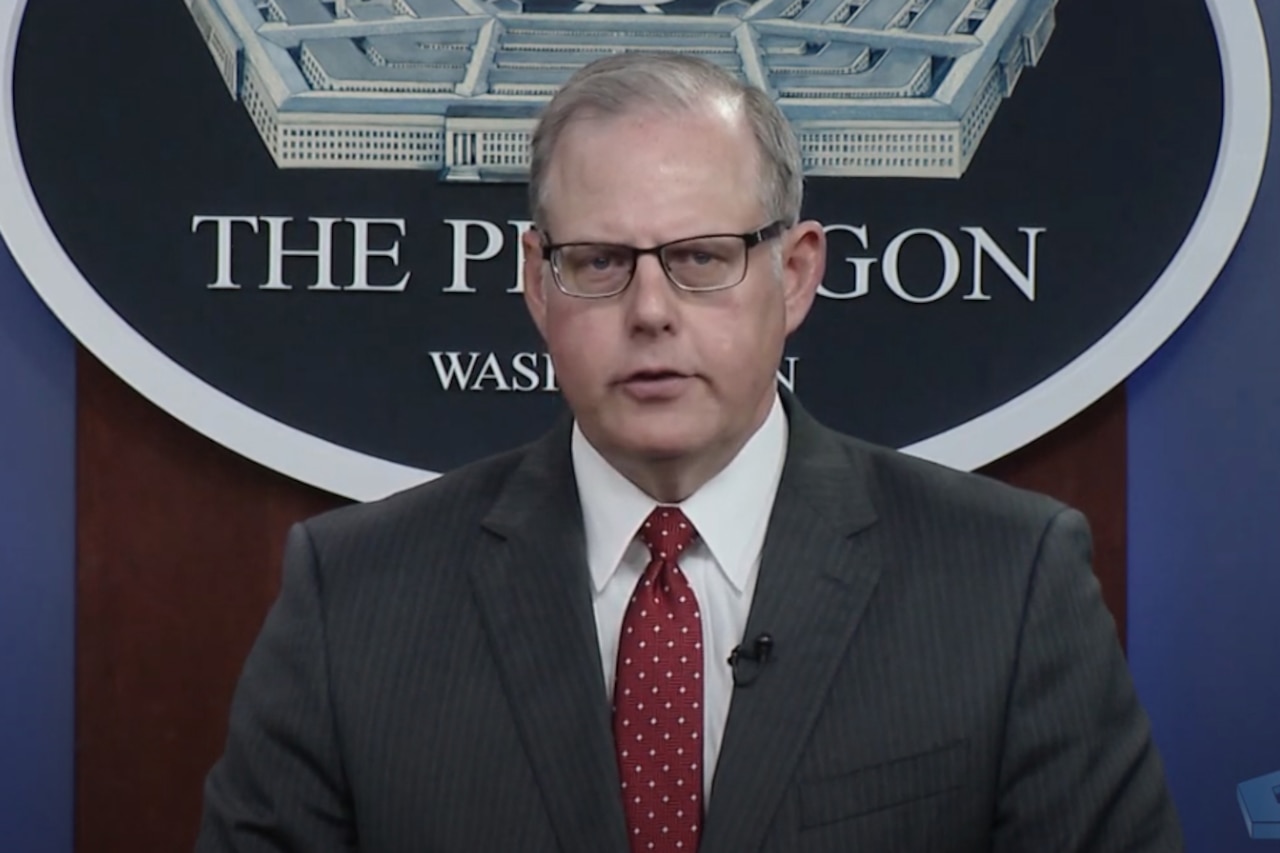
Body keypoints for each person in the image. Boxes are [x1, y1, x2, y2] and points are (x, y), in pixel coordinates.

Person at [196, 52, 1182, 852]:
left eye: (701, 258)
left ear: (794, 276)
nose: (650, 311)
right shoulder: (354, 596)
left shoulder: (1004, 583)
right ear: (538, 283)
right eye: (599, 262)